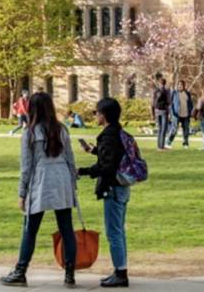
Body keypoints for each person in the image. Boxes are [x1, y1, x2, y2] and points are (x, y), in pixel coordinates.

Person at [0, 92, 77, 288]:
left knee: (30, 229)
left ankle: (20, 270)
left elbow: (26, 167)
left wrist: (22, 193)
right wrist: (72, 186)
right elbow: (70, 159)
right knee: (66, 228)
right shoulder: (62, 130)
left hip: (41, 179)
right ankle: (70, 273)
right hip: (61, 179)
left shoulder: (31, 133)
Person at [78, 98, 129, 288]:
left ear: (104, 115)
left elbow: (106, 166)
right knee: (119, 231)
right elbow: (112, 156)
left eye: (97, 112)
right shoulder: (118, 132)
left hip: (112, 188)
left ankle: (121, 273)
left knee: (113, 232)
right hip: (122, 187)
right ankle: (120, 270)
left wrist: (82, 171)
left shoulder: (108, 136)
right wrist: (94, 151)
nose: (96, 115)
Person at [166, 80, 193, 149]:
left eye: (181, 85)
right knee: (174, 129)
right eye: (178, 85)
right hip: (176, 115)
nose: (179, 86)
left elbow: (190, 103)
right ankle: (168, 143)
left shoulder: (187, 93)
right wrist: (171, 113)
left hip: (186, 115)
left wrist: (190, 112)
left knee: (186, 130)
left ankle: (185, 143)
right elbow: (170, 104)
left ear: (184, 86)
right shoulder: (174, 93)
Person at [150, 75, 171, 151]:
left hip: (156, 111)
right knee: (163, 129)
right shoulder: (166, 91)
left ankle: (159, 146)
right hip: (164, 111)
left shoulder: (155, 91)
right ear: (165, 83)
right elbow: (169, 101)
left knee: (159, 129)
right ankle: (161, 147)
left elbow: (152, 102)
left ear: (159, 83)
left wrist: (152, 113)